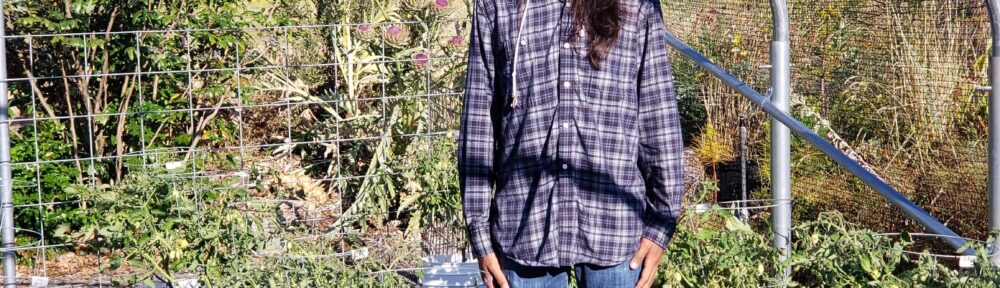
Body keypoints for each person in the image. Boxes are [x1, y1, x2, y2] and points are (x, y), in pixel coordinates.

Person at [457, 0, 684, 287]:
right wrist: (479, 233)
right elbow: (478, 123)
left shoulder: (636, 6)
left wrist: (661, 224)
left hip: (615, 229)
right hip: (525, 228)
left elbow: (657, 113)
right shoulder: (498, 5)